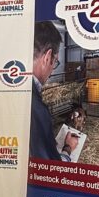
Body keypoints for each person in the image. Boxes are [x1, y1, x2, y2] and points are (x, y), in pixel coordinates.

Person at [29, 21, 77, 161]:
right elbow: (51, 170)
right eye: (55, 62)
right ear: (48, 57)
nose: (52, 69)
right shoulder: (37, 108)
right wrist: (68, 148)